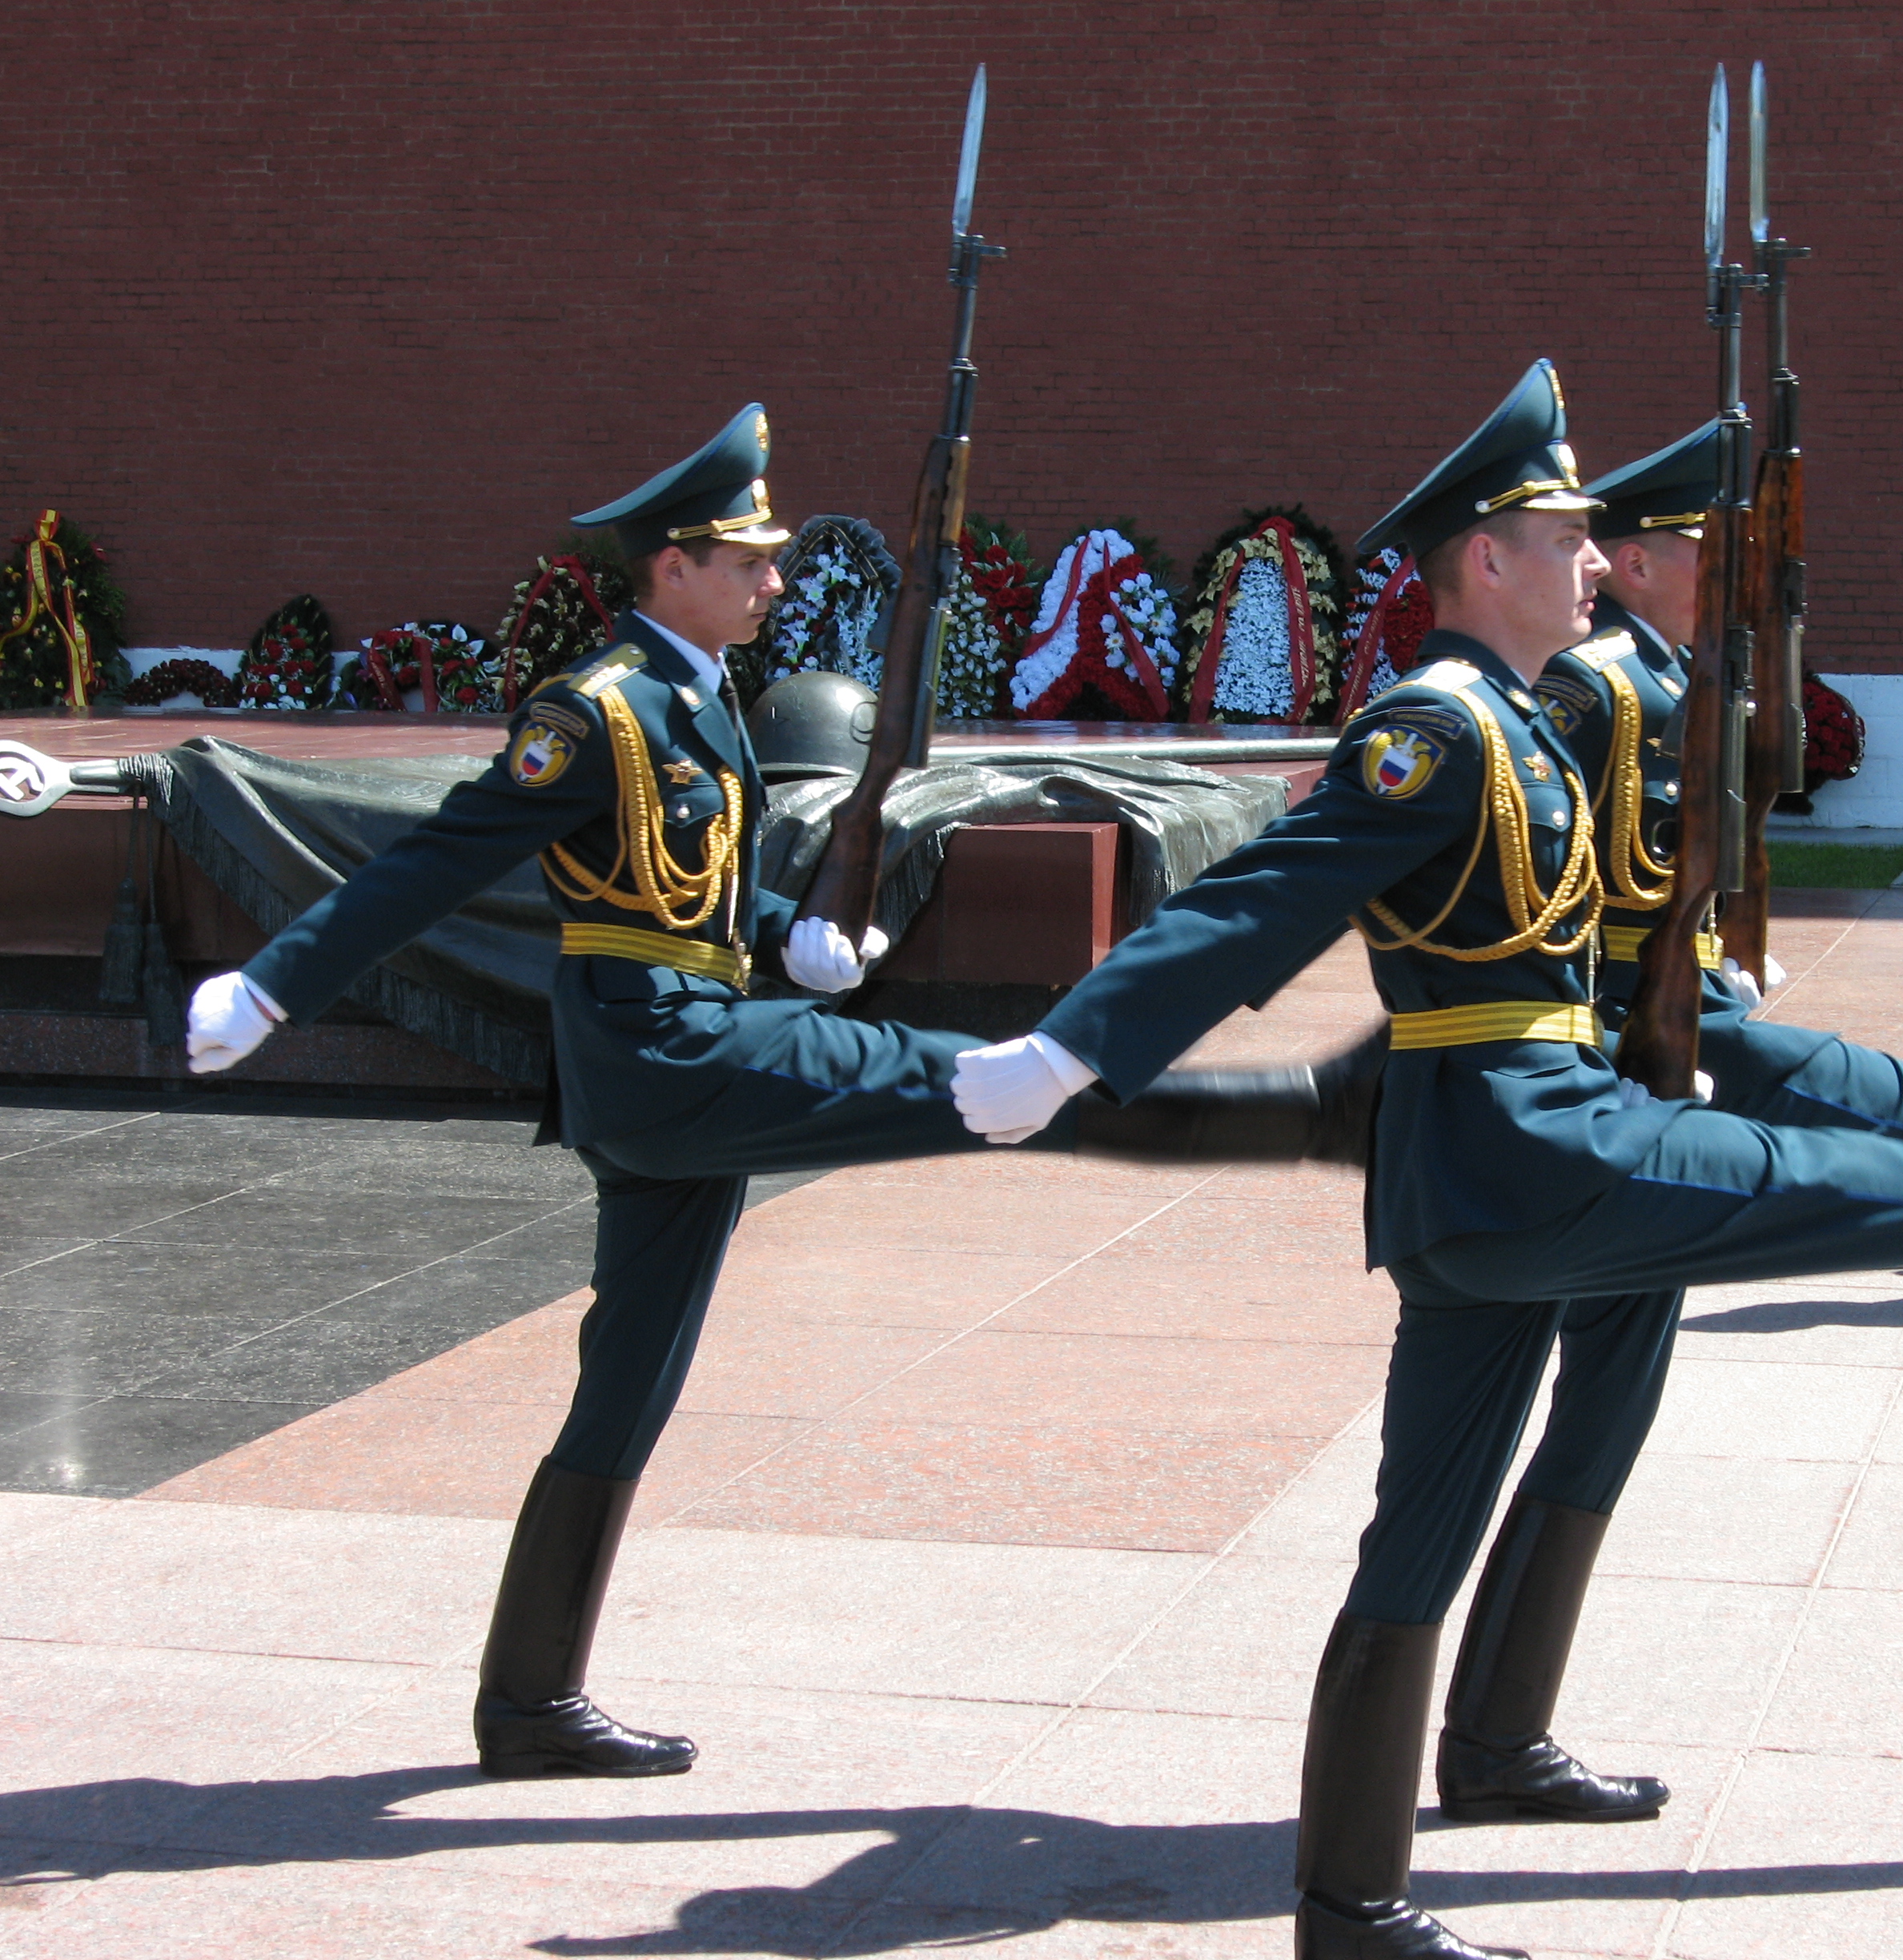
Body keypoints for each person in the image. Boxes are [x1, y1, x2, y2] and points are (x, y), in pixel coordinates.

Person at [949, 364, 1903, 1960]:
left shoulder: (1516, 724)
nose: (1591, 556)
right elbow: (1267, 892)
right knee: (1868, 1191)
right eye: (1557, 535)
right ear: (1485, 559)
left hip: (1503, 1163)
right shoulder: (1439, 730)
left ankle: (1352, 1908)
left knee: (1418, 1535)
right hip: (1539, 1147)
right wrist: (1073, 1046)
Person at [182, 404, 1375, 1781]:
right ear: (672, 566)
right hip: (667, 1052)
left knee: (627, 1385)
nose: (773, 581)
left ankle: (527, 1701)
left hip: (684, 1039)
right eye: (746, 559)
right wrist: (273, 985)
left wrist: (778, 933)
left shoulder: (690, 695)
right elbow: (428, 866)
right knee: (985, 1081)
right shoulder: (594, 712)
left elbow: (670, 876)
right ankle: (1308, 1107)